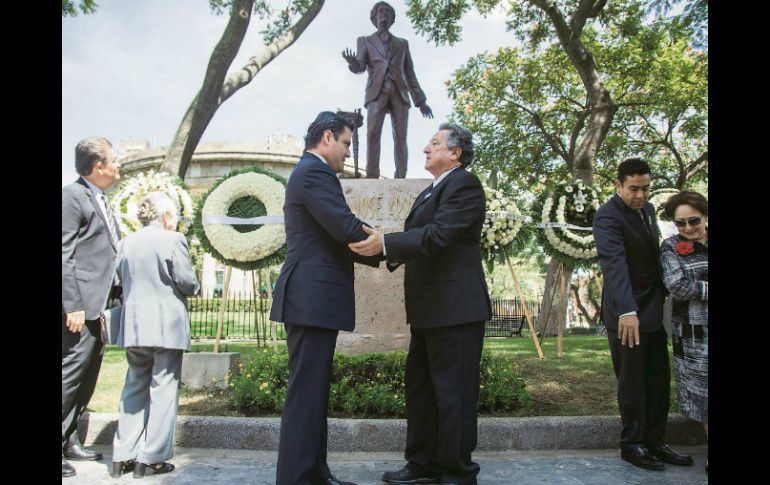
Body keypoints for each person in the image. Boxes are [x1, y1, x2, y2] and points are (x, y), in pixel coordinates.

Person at [349, 123, 491, 485]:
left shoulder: (464, 184)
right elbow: (420, 238)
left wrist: (387, 245)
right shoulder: (432, 190)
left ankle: (457, 473)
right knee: (422, 392)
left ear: (455, 153)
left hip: (456, 310)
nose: (426, 149)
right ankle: (422, 464)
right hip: (429, 311)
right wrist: (383, 251)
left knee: (453, 396)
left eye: (434, 143)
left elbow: (439, 235)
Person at [270, 111, 380, 485]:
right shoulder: (314, 172)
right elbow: (343, 225)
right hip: (310, 298)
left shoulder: (312, 172)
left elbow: (336, 232)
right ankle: (299, 478)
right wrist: (388, 247)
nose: (349, 153)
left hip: (313, 299)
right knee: (306, 395)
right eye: (347, 143)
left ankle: (314, 473)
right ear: (328, 137)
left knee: (313, 394)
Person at [592, 158, 694, 471]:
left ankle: (656, 442)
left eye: (645, 188)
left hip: (652, 307)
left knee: (657, 379)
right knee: (632, 383)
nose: (640, 195)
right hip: (627, 314)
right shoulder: (607, 216)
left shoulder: (647, 210)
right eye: (634, 188)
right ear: (618, 185)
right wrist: (627, 311)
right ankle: (632, 444)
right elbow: (615, 265)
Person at [109, 191, 199, 479]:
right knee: (163, 389)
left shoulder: (126, 242)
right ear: (166, 216)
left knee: (134, 385)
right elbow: (187, 283)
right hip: (166, 325)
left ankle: (123, 453)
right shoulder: (174, 240)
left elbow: (117, 281)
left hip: (134, 325)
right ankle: (152, 458)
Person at [62, 137, 122, 478]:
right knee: (69, 375)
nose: (118, 165)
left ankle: (70, 438)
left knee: (87, 375)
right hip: (80, 307)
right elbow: (64, 253)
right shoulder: (72, 197)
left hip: (100, 306)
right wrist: (72, 305)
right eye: (114, 160)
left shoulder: (102, 199)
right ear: (97, 166)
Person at [342, 1, 433, 179]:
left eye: (387, 12)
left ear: (392, 18)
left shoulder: (402, 44)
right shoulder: (365, 41)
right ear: (374, 17)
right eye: (380, 12)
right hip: (376, 92)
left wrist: (420, 101)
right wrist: (352, 63)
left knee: (400, 137)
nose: (384, 15)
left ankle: (401, 176)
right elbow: (360, 67)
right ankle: (372, 176)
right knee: (373, 134)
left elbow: (410, 73)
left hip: (400, 92)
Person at [660, 191, 708, 472]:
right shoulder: (670, 247)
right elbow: (677, 285)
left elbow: (692, 286)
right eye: (681, 223)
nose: (688, 228)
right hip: (694, 334)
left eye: (694, 220)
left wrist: (699, 287)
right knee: (704, 394)